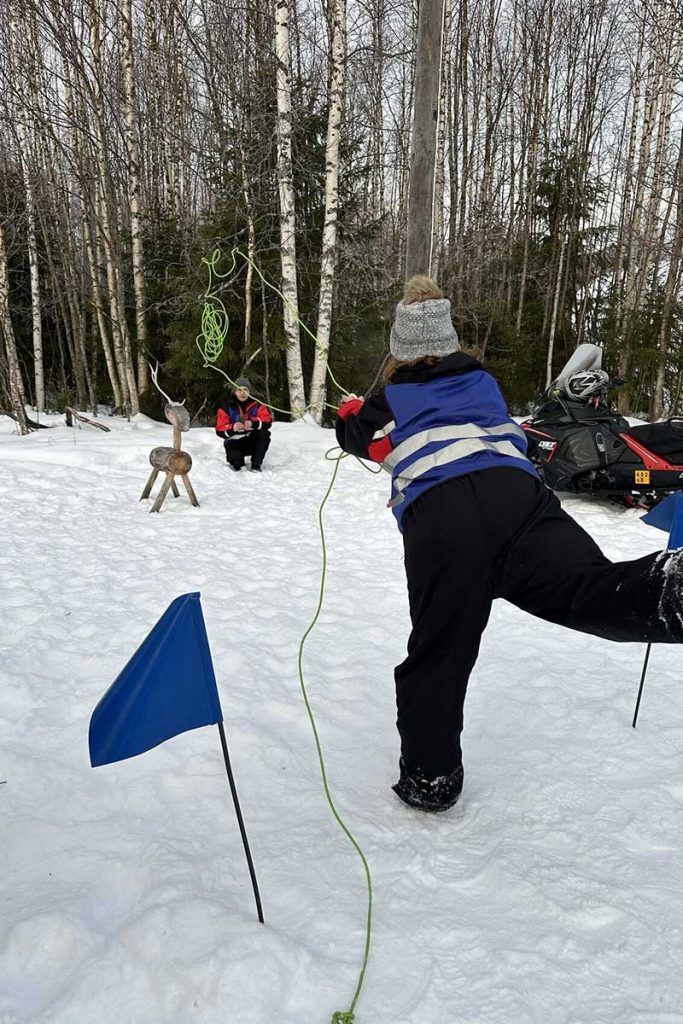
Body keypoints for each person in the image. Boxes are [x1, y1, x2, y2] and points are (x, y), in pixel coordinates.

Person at [335, 275, 683, 814]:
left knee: (441, 654)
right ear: (450, 342)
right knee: (591, 588)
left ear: (399, 351)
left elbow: (357, 438)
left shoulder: (390, 397)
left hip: (445, 521)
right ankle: (671, 588)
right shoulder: (483, 382)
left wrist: (350, 412)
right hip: (520, 499)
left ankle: (432, 778)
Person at [215, 377, 272, 472]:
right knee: (240, 469)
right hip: (234, 443)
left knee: (264, 434)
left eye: (245, 389)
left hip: (251, 440)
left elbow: (267, 421)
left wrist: (253, 423)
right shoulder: (226, 407)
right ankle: (239, 465)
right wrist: (232, 428)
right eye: (239, 390)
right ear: (235, 392)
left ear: (249, 392)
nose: (242, 392)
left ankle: (256, 464)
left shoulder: (258, 405)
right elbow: (219, 430)